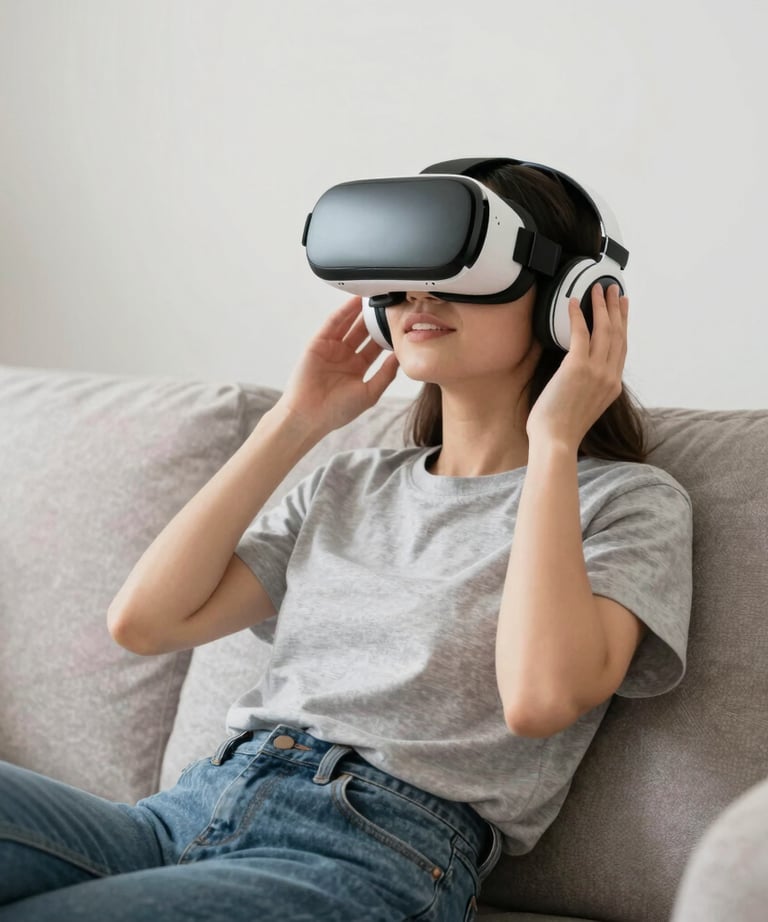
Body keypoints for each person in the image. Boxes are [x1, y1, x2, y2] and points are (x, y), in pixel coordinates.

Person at [0, 161, 693, 922]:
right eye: (399, 275)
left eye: (459, 269)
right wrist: (294, 421)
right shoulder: (352, 482)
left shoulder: (626, 502)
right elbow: (145, 621)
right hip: (183, 813)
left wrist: (555, 442)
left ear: (571, 301)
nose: (418, 297)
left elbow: (539, 698)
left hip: (373, 851)